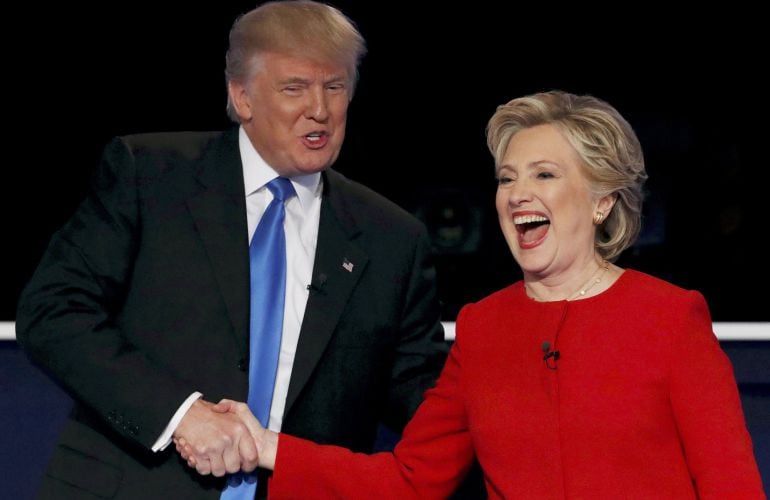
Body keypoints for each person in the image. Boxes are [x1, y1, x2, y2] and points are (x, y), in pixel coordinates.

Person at [185, 90, 766, 498]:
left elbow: (732, 489)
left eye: (544, 174)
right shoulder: (484, 328)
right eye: (507, 178)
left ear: (601, 202)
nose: (517, 194)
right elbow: (408, 482)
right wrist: (268, 447)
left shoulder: (670, 318)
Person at [15, 1, 448, 498]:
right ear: (242, 97)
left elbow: (423, 397)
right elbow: (53, 312)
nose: (320, 109)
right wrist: (180, 413)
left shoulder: (391, 237)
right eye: (294, 88)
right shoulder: (150, 176)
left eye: (335, 87)